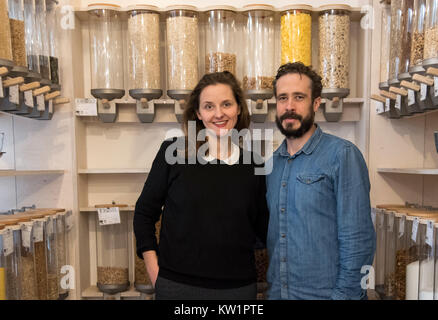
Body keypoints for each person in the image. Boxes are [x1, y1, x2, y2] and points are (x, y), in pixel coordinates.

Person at [133, 71, 269, 300]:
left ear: (238, 109)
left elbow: (263, 228)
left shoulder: (254, 163)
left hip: (237, 290)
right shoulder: (173, 152)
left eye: (226, 104)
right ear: (197, 112)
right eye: (208, 106)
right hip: (177, 287)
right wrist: (156, 273)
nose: (219, 113)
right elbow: (144, 213)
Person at [266, 62, 376, 300]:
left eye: (299, 97)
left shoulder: (342, 155)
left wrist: (344, 296)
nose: (289, 106)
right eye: (282, 98)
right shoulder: (271, 165)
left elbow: (358, 239)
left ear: (316, 103)